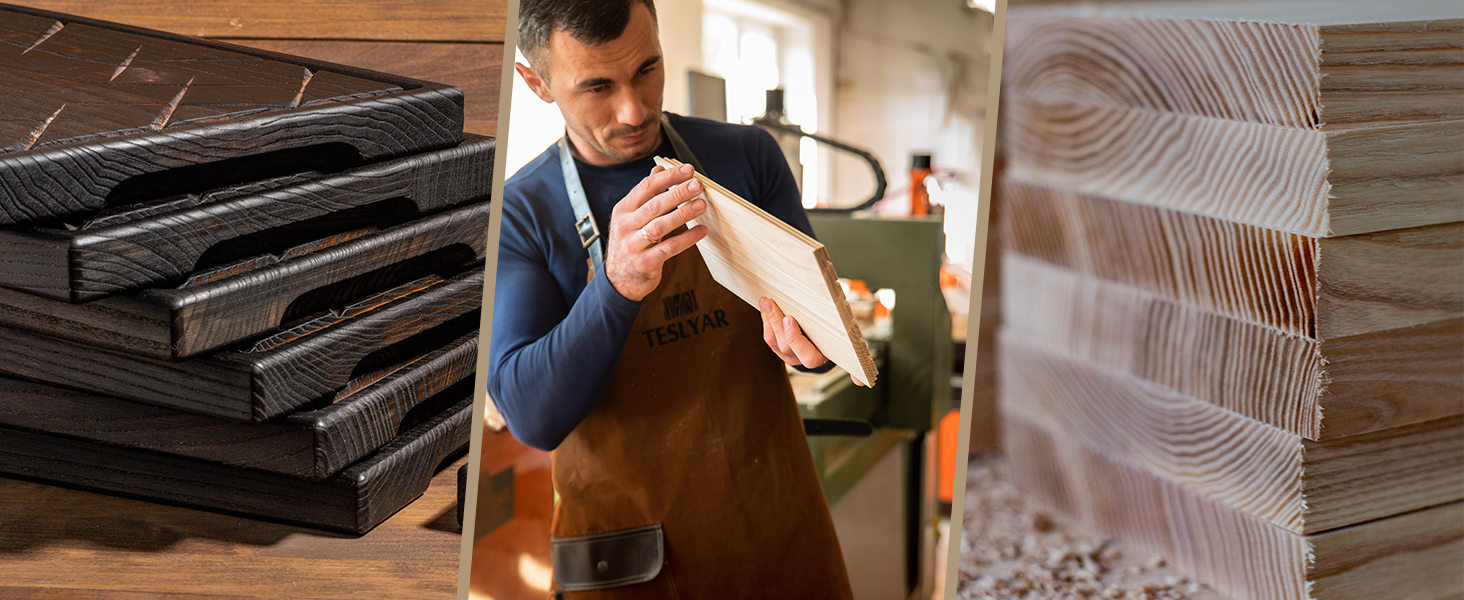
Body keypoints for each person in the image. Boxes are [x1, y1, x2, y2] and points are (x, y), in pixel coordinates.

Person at [487, 0, 856, 596]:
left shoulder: (746, 158)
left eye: (647, 69)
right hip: (629, 557)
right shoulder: (519, 213)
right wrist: (616, 285)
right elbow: (533, 417)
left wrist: (811, 347)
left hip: (775, 525)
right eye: (598, 86)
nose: (634, 109)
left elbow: (816, 327)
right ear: (537, 83)